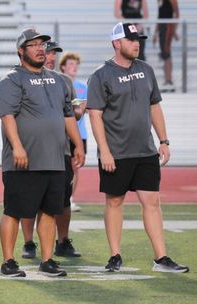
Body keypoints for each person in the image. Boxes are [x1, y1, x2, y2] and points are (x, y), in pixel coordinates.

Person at [87, 22, 189, 273]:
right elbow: (95, 115)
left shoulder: (146, 69)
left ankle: (161, 258)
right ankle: (115, 256)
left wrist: (163, 140)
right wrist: (105, 151)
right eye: (131, 40)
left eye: (138, 40)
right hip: (117, 152)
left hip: (145, 150)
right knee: (114, 202)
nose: (136, 44)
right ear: (116, 43)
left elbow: (154, 106)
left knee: (152, 201)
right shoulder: (101, 75)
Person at [0, 28, 84, 278]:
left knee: (49, 210)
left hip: (54, 158)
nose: (39, 49)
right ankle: (9, 262)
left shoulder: (58, 80)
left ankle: (47, 260)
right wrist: (18, 146)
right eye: (32, 45)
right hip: (23, 161)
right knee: (14, 210)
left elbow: (68, 115)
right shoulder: (11, 80)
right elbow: (7, 116)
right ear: (20, 51)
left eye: (42, 44)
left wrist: (77, 144)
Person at [20, 41, 83, 260]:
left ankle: (62, 241)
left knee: (62, 198)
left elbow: (75, 110)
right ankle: (28, 242)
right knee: (30, 199)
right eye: (48, 52)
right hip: (35, 148)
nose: (51, 56)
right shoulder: (23, 79)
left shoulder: (64, 81)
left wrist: (75, 113)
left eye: (55, 53)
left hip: (61, 147)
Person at [59, 51, 88, 213]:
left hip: (80, 134)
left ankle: (70, 199)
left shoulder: (83, 87)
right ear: (63, 67)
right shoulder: (59, 84)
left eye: (76, 64)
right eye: (70, 64)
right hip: (63, 134)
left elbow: (90, 109)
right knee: (62, 166)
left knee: (75, 168)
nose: (74, 67)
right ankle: (60, 197)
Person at [153, 0, 179, 92]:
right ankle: (167, 80)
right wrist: (155, 33)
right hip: (161, 28)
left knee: (166, 52)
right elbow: (159, 17)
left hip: (168, 27)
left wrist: (174, 30)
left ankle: (169, 80)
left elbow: (177, 15)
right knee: (164, 53)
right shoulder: (159, 1)